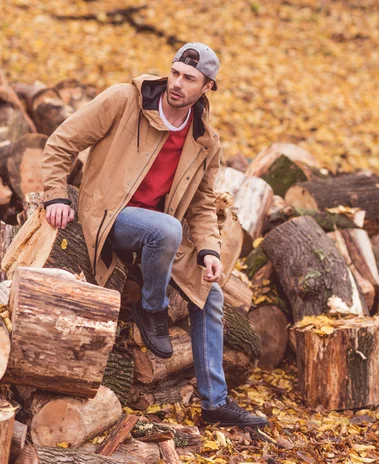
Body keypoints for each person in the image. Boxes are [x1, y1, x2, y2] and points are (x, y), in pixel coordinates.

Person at [42, 42, 267, 428]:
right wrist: (57, 195)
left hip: (164, 233)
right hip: (109, 214)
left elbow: (201, 205)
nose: (177, 83)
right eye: (175, 73)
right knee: (166, 229)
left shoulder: (205, 141)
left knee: (209, 293)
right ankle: (152, 306)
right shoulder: (123, 100)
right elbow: (61, 142)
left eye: (189, 79)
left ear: (208, 87)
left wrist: (210, 250)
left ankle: (215, 403)